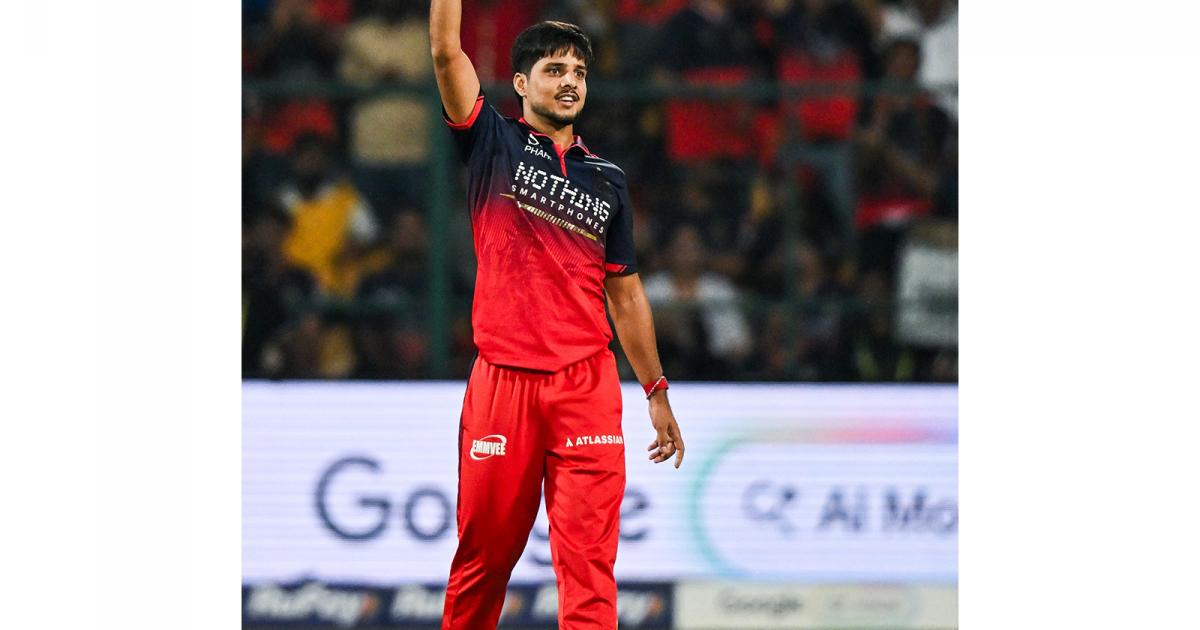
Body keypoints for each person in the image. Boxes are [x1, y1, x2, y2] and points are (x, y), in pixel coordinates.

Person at [429, 5, 686, 629]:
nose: (570, 81)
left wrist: (655, 391)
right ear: (521, 83)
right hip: (504, 383)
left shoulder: (609, 180)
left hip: (586, 386)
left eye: (579, 72)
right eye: (554, 69)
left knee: (589, 566)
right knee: (484, 560)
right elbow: (444, 51)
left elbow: (626, 295)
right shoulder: (490, 142)